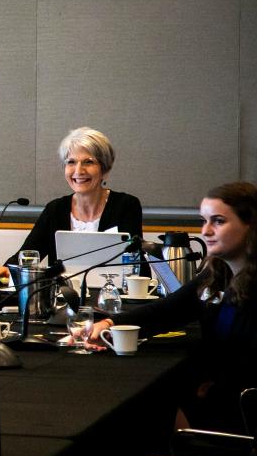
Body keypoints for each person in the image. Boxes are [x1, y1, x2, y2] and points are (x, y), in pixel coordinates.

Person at [89, 181, 257, 433]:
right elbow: (168, 310)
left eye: (218, 221)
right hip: (220, 393)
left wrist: (214, 383)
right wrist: (109, 324)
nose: (206, 231)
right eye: (204, 221)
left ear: (250, 225)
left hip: (241, 411)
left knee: (146, 399)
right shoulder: (217, 273)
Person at [0, 127, 142, 281]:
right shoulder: (55, 209)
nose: (78, 170)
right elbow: (28, 255)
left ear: (104, 169)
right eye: (71, 162)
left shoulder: (126, 206)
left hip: (112, 298)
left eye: (88, 162)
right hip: (62, 297)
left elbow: (138, 263)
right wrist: (7, 269)